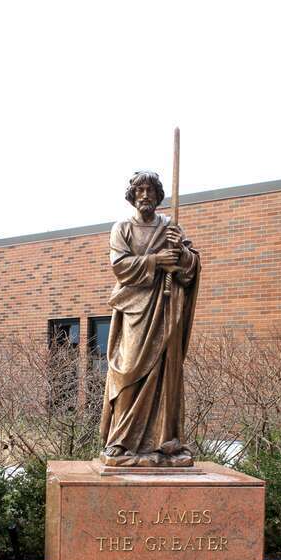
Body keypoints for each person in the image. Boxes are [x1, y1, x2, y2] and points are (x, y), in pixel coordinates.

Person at [99, 170, 200, 467]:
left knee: (164, 374)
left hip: (166, 310)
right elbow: (120, 266)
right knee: (128, 370)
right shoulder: (122, 228)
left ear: (158, 196)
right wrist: (157, 261)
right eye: (140, 190)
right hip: (136, 310)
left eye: (151, 190)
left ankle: (163, 442)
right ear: (132, 196)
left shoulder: (171, 227)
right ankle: (121, 440)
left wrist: (180, 253)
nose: (145, 195)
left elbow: (192, 265)